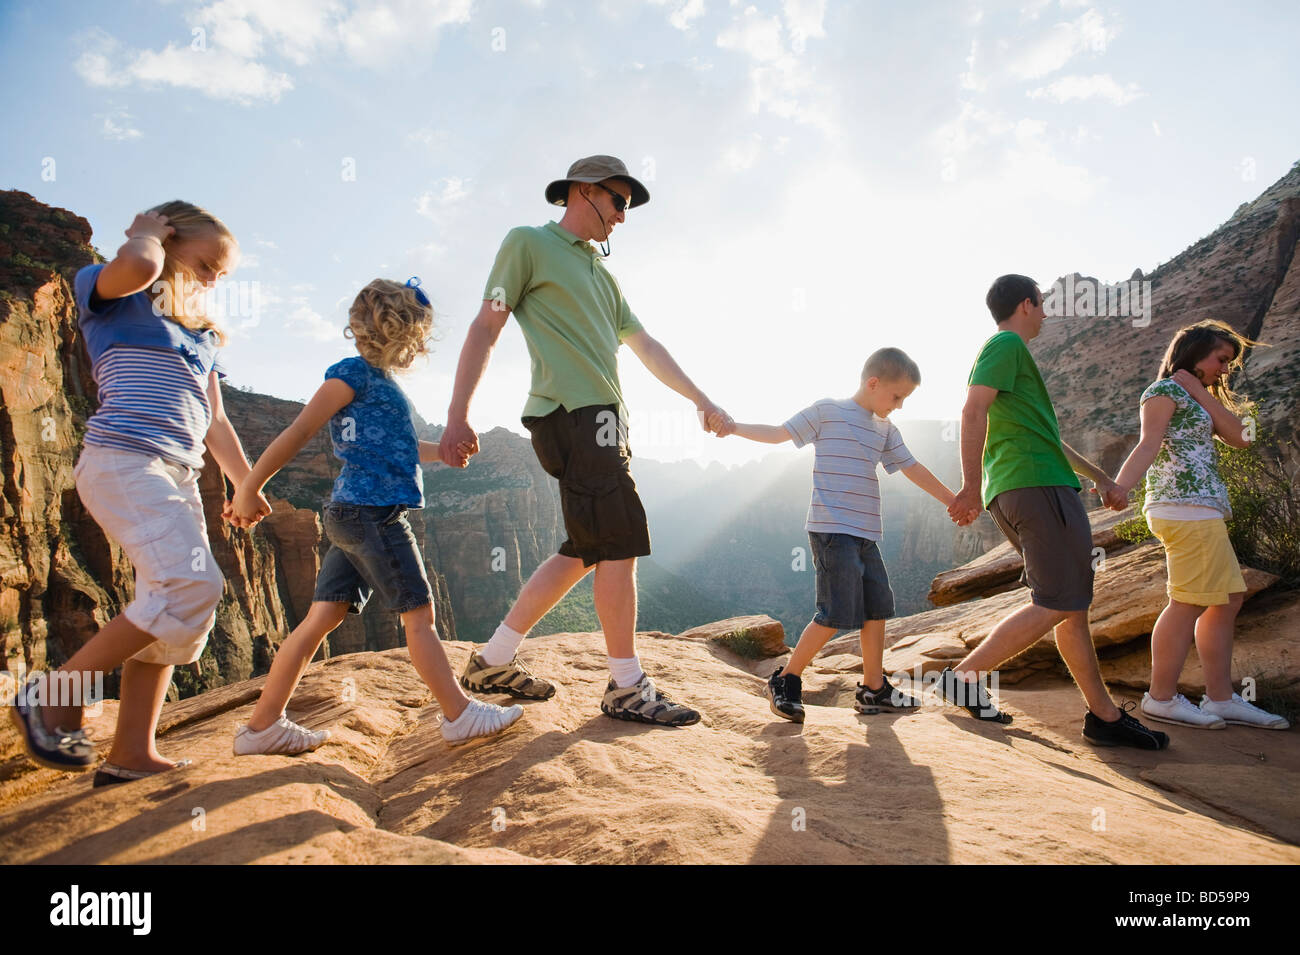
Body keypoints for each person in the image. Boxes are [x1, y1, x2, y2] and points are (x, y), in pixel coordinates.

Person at [440, 155, 731, 726]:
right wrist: (457, 414)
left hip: (607, 422)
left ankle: (493, 660)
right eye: (619, 202)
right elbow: (485, 326)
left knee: (586, 549)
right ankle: (626, 686)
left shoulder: (603, 273)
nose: (623, 217)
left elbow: (645, 345)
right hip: (571, 414)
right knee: (619, 544)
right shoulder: (527, 242)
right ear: (584, 192)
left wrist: (700, 397)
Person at [11, 201, 262, 785]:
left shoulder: (200, 338)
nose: (212, 280)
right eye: (206, 264)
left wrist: (246, 484)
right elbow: (141, 266)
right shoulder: (113, 292)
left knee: (182, 612)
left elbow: (216, 423)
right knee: (188, 585)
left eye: (221, 275)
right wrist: (146, 233)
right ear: (168, 241)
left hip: (176, 473)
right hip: (124, 461)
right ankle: (54, 694)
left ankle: (131, 753)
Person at [230, 278, 522, 751]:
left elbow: (401, 448)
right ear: (404, 333)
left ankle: (262, 726)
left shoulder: (381, 385)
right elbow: (299, 431)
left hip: (352, 514)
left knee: (322, 617)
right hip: (372, 516)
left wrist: (443, 453)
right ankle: (459, 715)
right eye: (421, 335)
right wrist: (250, 487)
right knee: (420, 615)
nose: (423, 346)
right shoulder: (353, 376)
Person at [943, 274, 1169, 749]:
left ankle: (1103, 717)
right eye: (1041, 304)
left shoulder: (1012, 357)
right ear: (1025, 304)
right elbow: (971, 411)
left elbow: (1052, 441)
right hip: (1035, 487)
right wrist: (965, 486)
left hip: (1027, 483)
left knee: (1070, 607)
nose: (1045, 314)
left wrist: (1101, 478)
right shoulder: (1006, 344)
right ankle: (964, 676)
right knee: (1059, 603)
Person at [719, 348, 955, 722]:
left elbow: (912, 467)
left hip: (866, 534)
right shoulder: (828, 411)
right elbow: (780, 433)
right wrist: (733, 427)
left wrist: (951, 500)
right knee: (834, 613)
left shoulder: (886, 430)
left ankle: (874, 689)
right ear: (873, 383)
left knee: (876, 610)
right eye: (896, 397)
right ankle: (786, 679)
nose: (899, 405)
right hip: (832, 531)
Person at [1109, 321, 1288, 730]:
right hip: (1180, 507)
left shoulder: (1195, 394)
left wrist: (1199, 392)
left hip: (1203, 509)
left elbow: (1242, 437)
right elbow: (1148, 445)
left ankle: (1220, 699)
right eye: (1220, 359)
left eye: (1229, 363)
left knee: (1226, 600)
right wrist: (1120, 487)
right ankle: (1160, 698)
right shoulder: (1161, 392)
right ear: (1193, 352)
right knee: (1188, 601)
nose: (1225, 369)